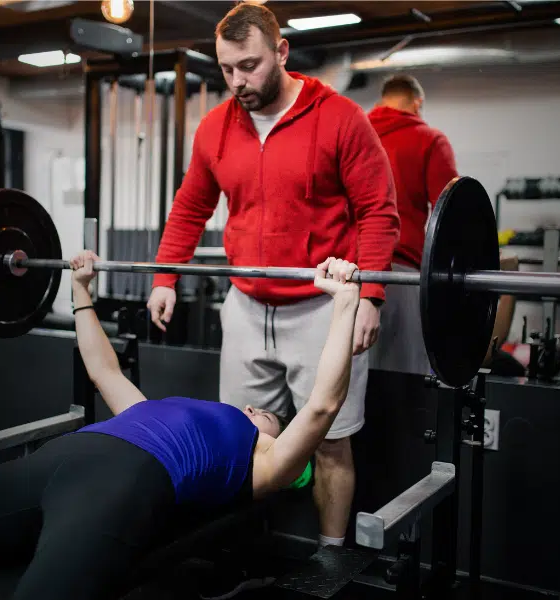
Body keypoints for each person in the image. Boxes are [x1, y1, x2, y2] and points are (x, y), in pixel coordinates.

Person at [0, 252, 364, 600]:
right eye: (259, 408)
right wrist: (80, 289)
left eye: (268, 414)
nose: (258, 409)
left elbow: (319, 407)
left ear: (270, 434)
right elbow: (103, 369)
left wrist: (344, 305)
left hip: (122, 482)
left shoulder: (264, 463)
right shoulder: (149, 409)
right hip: (55, 461)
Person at [146, 2, 400, 556]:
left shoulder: (339, 118)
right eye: (227, 69)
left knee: (331, 442)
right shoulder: (216, 128)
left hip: (321, 308)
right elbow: (191, 206)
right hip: (245, 305)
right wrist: (165, 275)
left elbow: (378, 211)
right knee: (237, 441)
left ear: (282, 53)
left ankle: (330, 561)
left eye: (250, 66)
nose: (237, 81)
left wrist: (370, 296)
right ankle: (241, 557)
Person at [365, 74, 459, 374]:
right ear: (417, 103)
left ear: (382, 102)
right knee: (403, 382)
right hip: (400, 275)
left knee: (345, 387)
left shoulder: (354, 133)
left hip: (346, 274)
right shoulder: (429, 139)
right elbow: (449, 215)